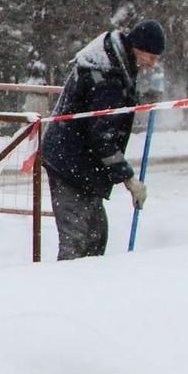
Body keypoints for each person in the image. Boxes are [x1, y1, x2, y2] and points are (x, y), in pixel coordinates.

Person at [41, 19, 165, 260]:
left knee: (96, 235)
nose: (153, 63)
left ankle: (91, 288)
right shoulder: (107, 76)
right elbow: (103, 137)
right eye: (151, 56)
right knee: (78, 240)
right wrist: (128, 179)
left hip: (81, 162)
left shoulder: (117, 64)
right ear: (138, 47)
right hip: (69, 163)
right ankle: (63, 290)